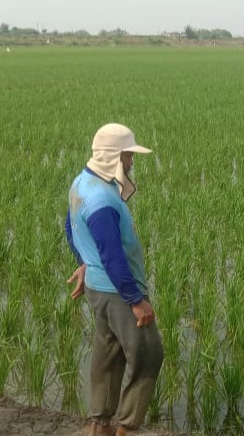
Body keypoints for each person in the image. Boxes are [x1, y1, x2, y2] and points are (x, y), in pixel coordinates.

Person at [65, 123, 164, 436]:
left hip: (99, 286)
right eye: (128, 155)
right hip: (116, 290)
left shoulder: (83, 183)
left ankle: (99, 424)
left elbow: (70, 225)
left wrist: (84, 262)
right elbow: (112, 256)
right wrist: (136, 301)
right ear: (113, 156)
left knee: (109, 352)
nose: (131, 162)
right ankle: (126, 428)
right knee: (148, 353)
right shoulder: (102, 199)